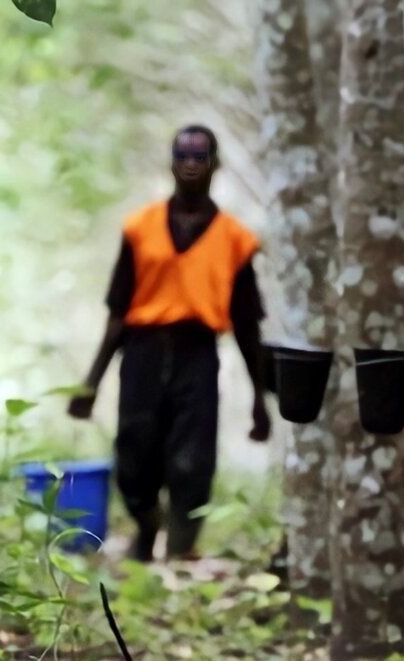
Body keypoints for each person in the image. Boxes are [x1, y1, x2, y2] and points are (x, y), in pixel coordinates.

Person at [69, 125, 271, 561]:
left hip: (197, 354)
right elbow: (118, 312)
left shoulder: (235, 239)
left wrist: (260, 396)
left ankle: (180, 556)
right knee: (135, 457)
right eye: (183, 154)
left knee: (192, 461)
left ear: (215, 163)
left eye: (201, 155)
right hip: (141, 351)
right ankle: (145, 532)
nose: (191, 162)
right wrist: (91, 383)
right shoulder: (140, 228)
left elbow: (248, 325)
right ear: (172, 161)